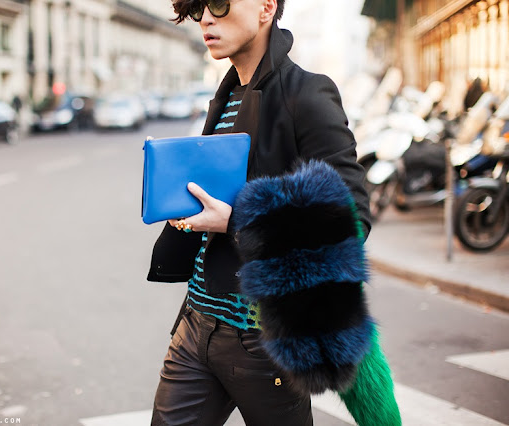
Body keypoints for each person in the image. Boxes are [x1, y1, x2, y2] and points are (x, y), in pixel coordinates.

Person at [147, 1, 401, 425]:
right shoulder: (228, 94)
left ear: (266, 6)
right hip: (197, 325)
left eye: (220, 4)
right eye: (199, 8)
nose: (206, 18)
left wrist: (235, 221)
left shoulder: (307, 94)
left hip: (263, 338)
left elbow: (350, 216)